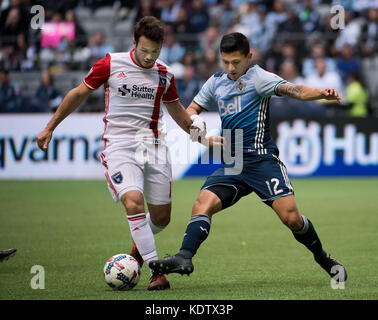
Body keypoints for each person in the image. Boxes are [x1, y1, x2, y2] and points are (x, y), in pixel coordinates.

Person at [149, 32, 347, 285]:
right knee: (202, 204)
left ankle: (322, 257)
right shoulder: (216, 82)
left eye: (236, 62)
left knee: (292, 219)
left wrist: (321, 93)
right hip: (233, 163)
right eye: (226, 62)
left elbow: (295, 90)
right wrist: (198, 133)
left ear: (249, 57)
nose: (231, 68)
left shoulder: (259, 78)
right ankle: (185, 257)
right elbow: (192, 110)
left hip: (262, 162)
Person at [36, 16, 207, 291]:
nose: (150, 57)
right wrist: (49, 127)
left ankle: (136, 255)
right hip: (119, 145)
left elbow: (179, 115)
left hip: (153, 148)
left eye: (155, 51)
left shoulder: (165, 74)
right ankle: (156, 272)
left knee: (162, 217)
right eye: (144, 50)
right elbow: (78, 94)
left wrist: (206, 139)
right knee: (133, 202)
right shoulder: (110, 63)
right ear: (134, 43)